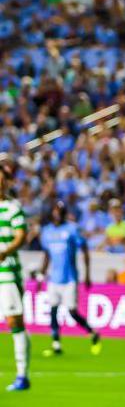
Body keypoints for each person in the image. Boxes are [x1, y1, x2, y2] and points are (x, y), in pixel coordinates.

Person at [39, 201, 100, 357]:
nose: (57, 213)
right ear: (52, 212)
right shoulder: (47, 231)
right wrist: (41, 275)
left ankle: (92, 332)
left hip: (69, 278)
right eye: (55, 210)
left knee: (72, 312)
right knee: (53, 310)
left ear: (64, 213)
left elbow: (84, 249)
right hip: (54, 279)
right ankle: (56, 344)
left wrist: (87, 274)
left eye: (60, 210)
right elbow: (47, 255)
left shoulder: (72, 229)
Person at [0, 166, 29, 391]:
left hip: (7, 272)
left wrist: (5, 251)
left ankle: (22, 375)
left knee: (14, 322)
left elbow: (21, 237)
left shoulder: (12, 208)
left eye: (2, 180)